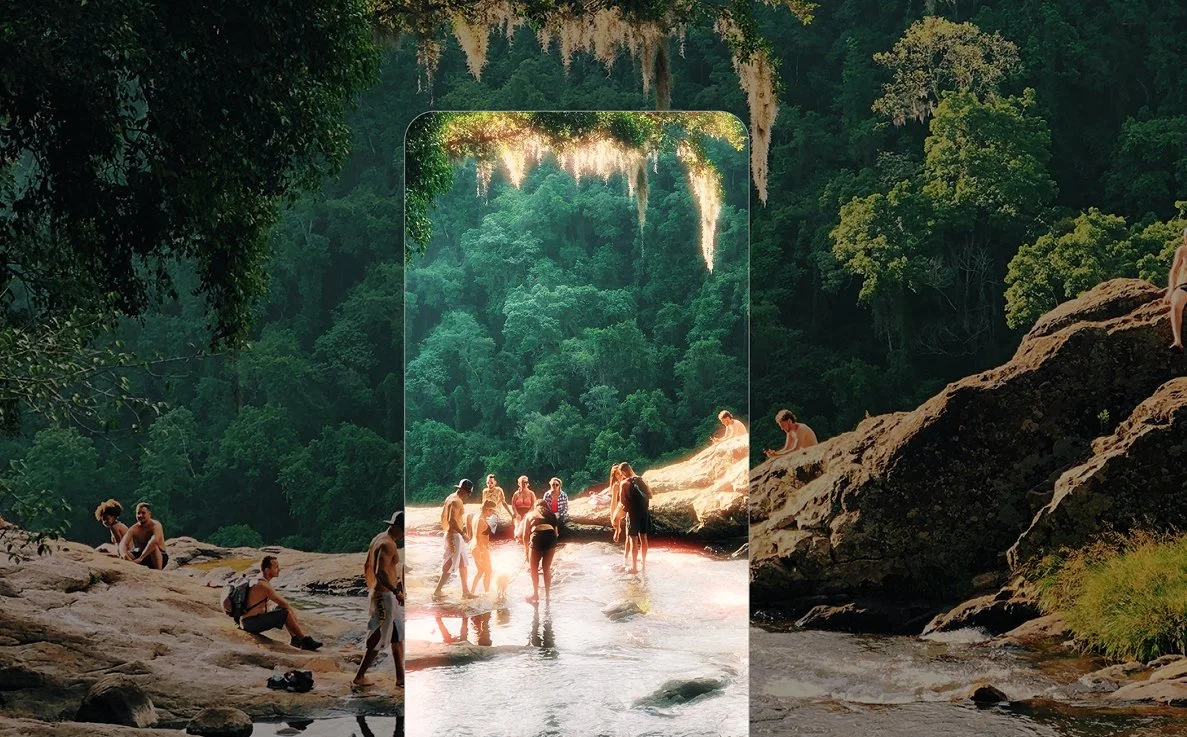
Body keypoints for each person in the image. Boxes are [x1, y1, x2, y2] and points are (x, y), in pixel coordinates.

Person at [354, 512, 405, 690]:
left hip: (385, 594)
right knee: (378, 635)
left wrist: (374, 588)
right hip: (384, 596)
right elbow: (379, 571)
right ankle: (359, 676)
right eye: (403, 531)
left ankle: (401, 677)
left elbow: (366, 566)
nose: (404, 535)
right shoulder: (387, 544)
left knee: (398, 634)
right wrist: (395, 591)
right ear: (396, 527)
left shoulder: (378, 538)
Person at [240, 555, 323, 651]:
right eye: (276, 567)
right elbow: (284, 604)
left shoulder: (258, 581)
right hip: (250, 624)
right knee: (285, 612)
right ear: (267, 570)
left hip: (247, 622)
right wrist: (293, 616)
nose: (279, 569)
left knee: (281, 609)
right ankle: (304, 640)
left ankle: (295, 639)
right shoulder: (264, 585)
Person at [433, 478, 474, 599]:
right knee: (450, 563)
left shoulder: (451, 497)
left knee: (463, 563)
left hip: (454, 534)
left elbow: (444, 516)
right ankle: (437, 590)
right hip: (454, 535)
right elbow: (452, 520)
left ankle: (466, 591)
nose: (468, 495)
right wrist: (463, 533)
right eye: (468, 493)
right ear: (463, 491)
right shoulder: (457, 501)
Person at [520, 500, 559, 604]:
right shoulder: (552, 515)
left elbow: (525, 535)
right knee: (547, 569)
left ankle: (536, 594)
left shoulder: (530, 514)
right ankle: (547, 595)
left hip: (537, 537)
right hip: (551, 538)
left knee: (534, 568)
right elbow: (556, 534)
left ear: (535, 506)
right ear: (546, 507)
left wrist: (526, 551)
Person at [619, 462, 650, 574]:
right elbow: (649, 495)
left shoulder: (624, 483)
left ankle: (634, 567)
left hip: (632, 514)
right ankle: (644, 563)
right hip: (644, 512)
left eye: (621, 473)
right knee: (644, 537)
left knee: (633, 539)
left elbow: (622, 502)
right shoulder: (642, 480)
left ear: (623, 472)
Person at [118, 502, 169, 569]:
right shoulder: (134, 529)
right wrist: (124, 555)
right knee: (122, 552)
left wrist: (141, 558)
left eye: (143, 513)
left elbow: (154, 541)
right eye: (138, 513)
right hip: (141, 556)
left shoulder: (156, 525)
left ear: (149, 514)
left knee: (154, 547)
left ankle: (158, 571)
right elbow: (123, 543)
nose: (140, 515)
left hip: (158, 556)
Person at [468, 500, 498, 594]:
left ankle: (472, 592)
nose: (493, 513)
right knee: (488, 572)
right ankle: (487, 593)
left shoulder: (476, 516)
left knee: (480, 571)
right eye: (492, 511)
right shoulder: (481, 520)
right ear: (487, 510)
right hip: (479, 548)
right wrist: (481, 552)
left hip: (473, 546)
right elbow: (477, 536)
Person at [1166, 228, 1187, 350]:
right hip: (1184, 285)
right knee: (1176, 304)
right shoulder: (1183, 250)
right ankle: (1177, 341)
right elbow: (1174, 271)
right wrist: (1170, 290)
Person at [607, 463, 626, 543]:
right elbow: (613, 502)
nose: (620, 475)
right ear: (614, 476)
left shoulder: (627, 480)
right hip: (622, 503)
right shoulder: (616, 485)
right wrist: (612, 519)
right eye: (617, 474)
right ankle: (618, 529)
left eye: (620, 472)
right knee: (614, 519)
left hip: (630, 501)